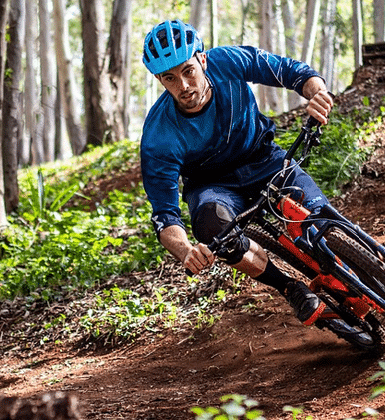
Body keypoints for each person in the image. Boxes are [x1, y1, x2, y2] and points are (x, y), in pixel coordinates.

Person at [139, 19, 370, 343]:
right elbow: (164, 215)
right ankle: (289, 287)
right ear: (159, 80)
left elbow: (290, 71)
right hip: (212, 186)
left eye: (188, 70)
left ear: (202, 60)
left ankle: (348, 269)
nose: (184, 86)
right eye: (170, 78)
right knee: (210, 225)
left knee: (318, 217)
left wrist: (317, 93)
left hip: (264, 159)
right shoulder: (158, 136)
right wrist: (186, 250)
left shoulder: (228, 62)